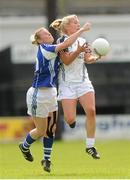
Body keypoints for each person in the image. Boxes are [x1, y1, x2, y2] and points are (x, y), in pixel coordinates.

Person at [18, 23, 91, 173]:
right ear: (39, 40)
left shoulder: (54, 49)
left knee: (51, 128)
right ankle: (24, 146)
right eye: (45, 34)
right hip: (38, 94)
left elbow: (66, 53)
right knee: (40, 130)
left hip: (51, 93)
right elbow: (66, 43)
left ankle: (47, 159)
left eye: (49, 32)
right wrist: (82, 30)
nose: (48, 34)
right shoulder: (45, 49)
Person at [50, 14, 102, 159]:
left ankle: (90, 146)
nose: (78, 25)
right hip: (67, 85)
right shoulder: (61, 41)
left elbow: (87, 59)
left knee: (91, 111)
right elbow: (66, 61)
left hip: (83, 82)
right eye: (75, 23)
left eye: (78, 23)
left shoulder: (83, 40)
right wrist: (78, 51)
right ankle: (71, 122)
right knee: (69, 119)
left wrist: (96, 57)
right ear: (66, 27)